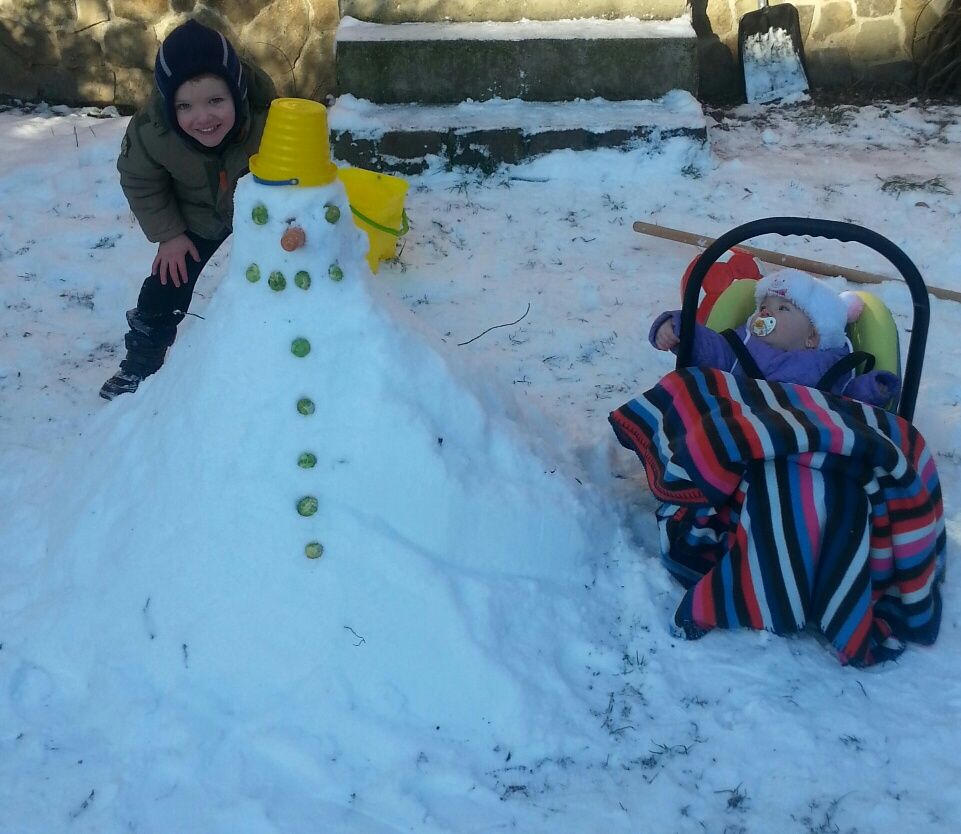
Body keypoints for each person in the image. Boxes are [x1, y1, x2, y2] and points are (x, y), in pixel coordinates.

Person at [100, 19, 277, 400]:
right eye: (186, 106)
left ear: (238, 94)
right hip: (195, 216)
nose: (203, 117)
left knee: (288, 270)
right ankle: (141, 361)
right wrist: (170, 235)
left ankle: (282, 341)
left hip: (259, 210)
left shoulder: (269, 119)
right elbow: (139, 180)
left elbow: (299, 165)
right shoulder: (152, 133)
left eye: (216, 101)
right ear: (169, 106)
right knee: (168, 281)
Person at [649, 268, 900, 407]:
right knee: (673, 392)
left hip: (804, 440)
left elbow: (849, 399)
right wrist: (678, 327)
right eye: (764, 308)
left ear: (812, 336)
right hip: (741, 431)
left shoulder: (830, 364)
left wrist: (873, 388)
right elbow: (709, 347)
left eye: (783, 309)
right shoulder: (740, 345)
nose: (767, 312)